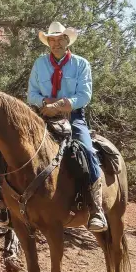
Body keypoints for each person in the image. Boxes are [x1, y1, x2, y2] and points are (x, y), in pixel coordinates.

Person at [27, 20, 108, 232]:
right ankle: (6, 204)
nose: (56, 43)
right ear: (49, 43)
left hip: (73, 117)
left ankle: (95, 207)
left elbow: (84, 95)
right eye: (51, 40)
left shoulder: (81, 64)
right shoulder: (39, 64)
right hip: (43, 115)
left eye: (59, 39)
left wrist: (61, 105)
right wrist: (46, 104)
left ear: (66, 40)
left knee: (87, 150)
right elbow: (32, 94)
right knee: (16, 145)